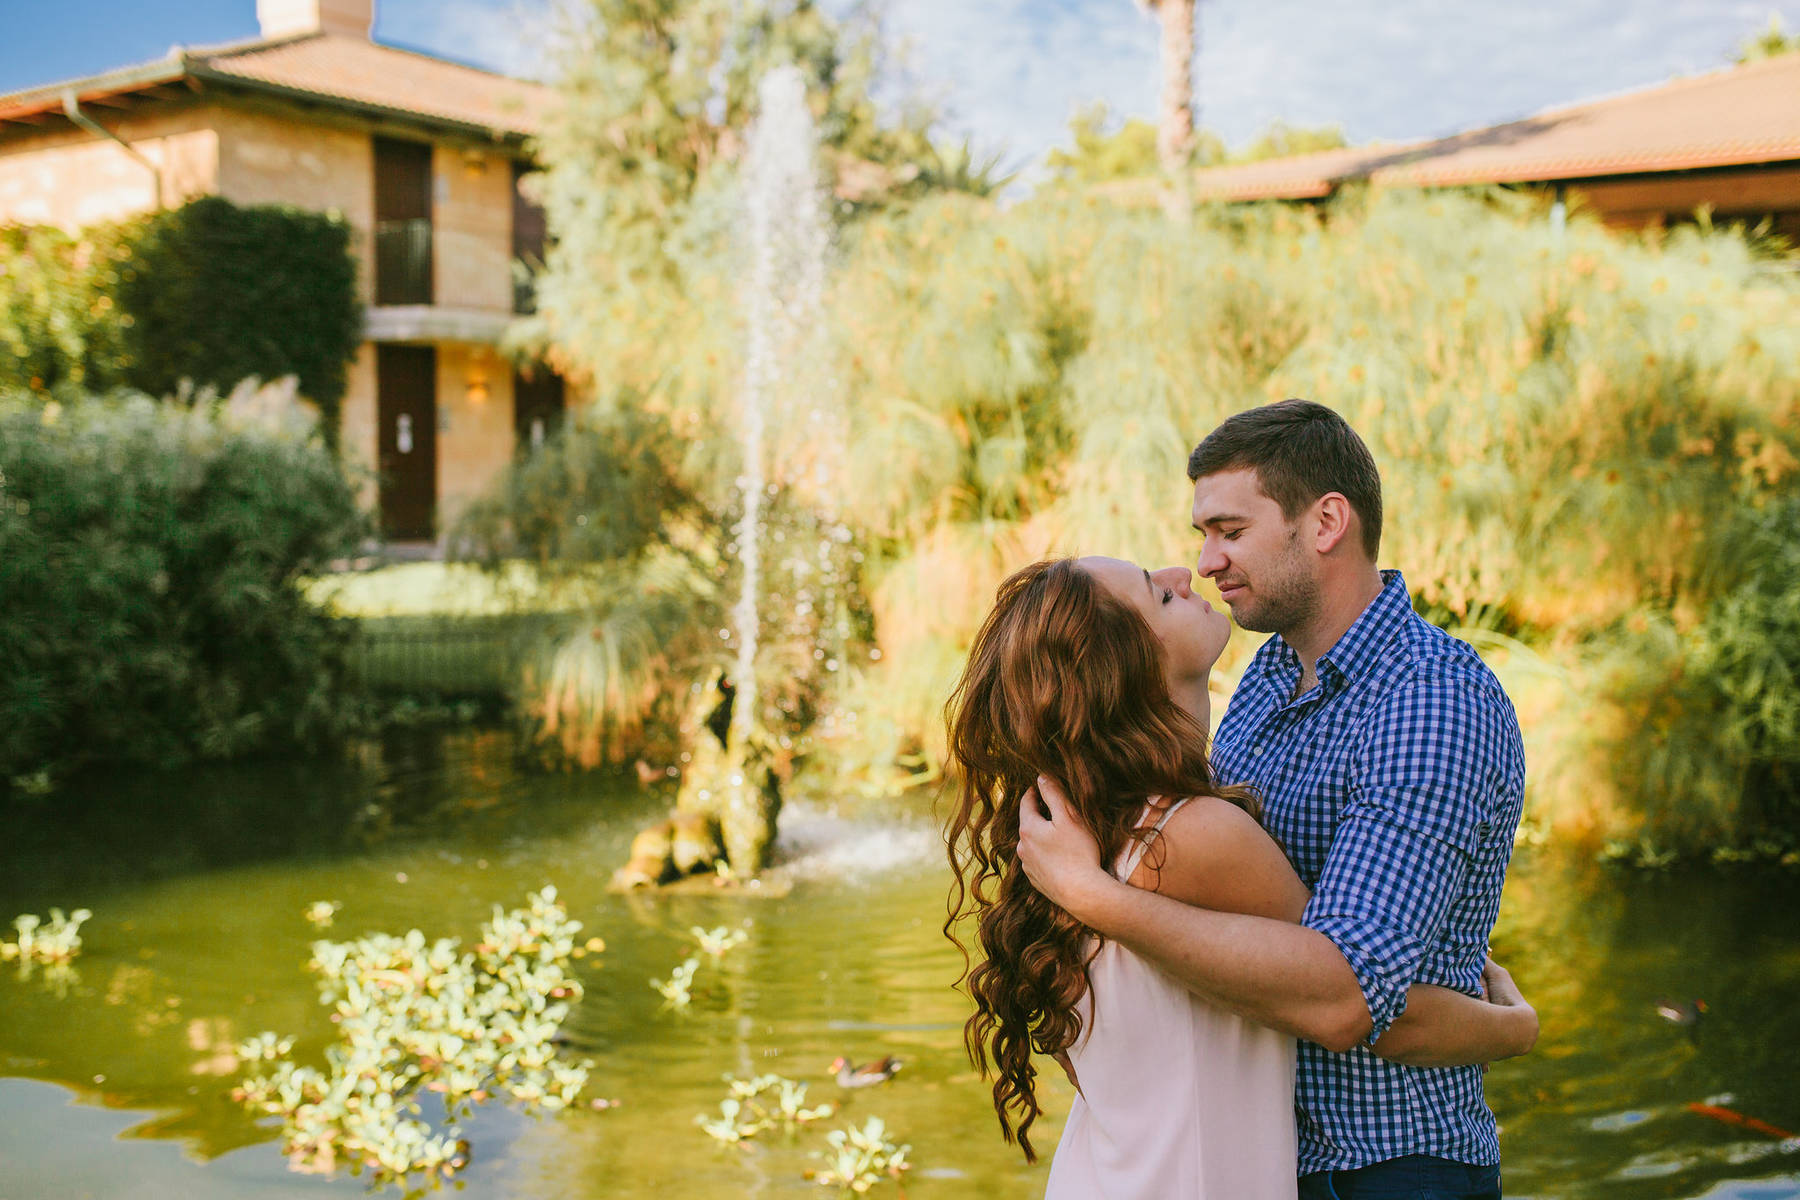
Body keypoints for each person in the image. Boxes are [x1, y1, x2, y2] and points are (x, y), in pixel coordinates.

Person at [1015, 400, 1530, 1198]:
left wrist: (1095, 897)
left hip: (1387, 1167)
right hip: (1259, 1162)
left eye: (1229, 530)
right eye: (1202, 535)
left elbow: (1344, 992)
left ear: (1325, 522)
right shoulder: (1261, 683)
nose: (1205, 562)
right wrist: (1506, 1028)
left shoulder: (1430, 701)